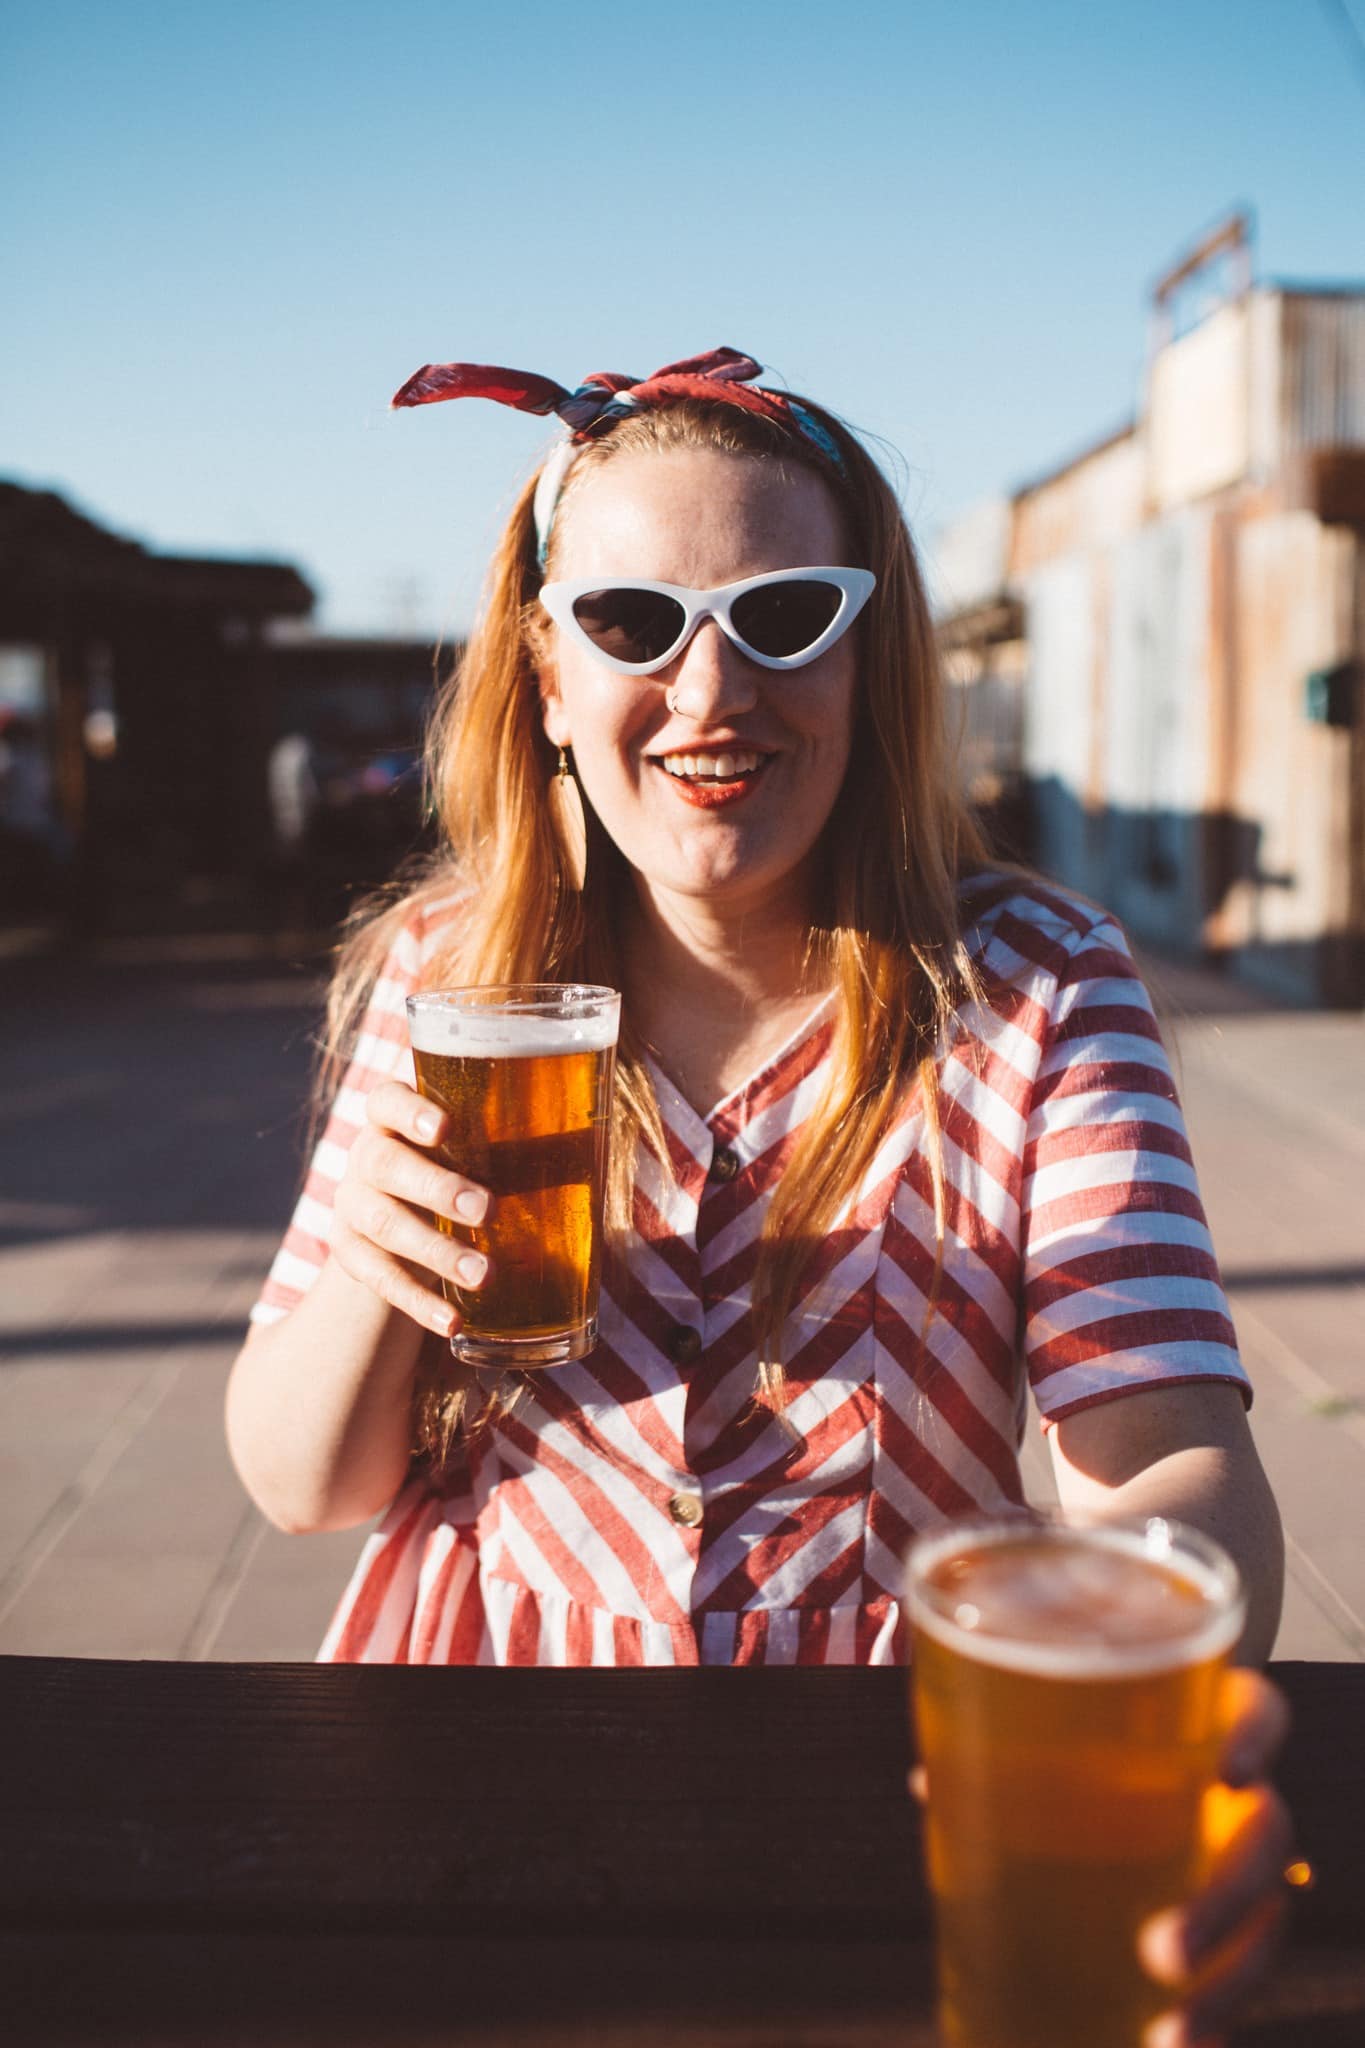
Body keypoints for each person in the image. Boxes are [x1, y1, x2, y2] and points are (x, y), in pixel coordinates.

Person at [227, 348, 1292, 2040]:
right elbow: (306, 1483)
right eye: (634, 623)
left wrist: (1133, 1700)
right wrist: (377, 1263)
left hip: (880, 1773)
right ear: (547, 675)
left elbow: (1159, 1439)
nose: (712, 688)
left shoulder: (1031, 983)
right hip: (479, 1740)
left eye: (787, 612)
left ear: (870, 659)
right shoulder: (451, 974)